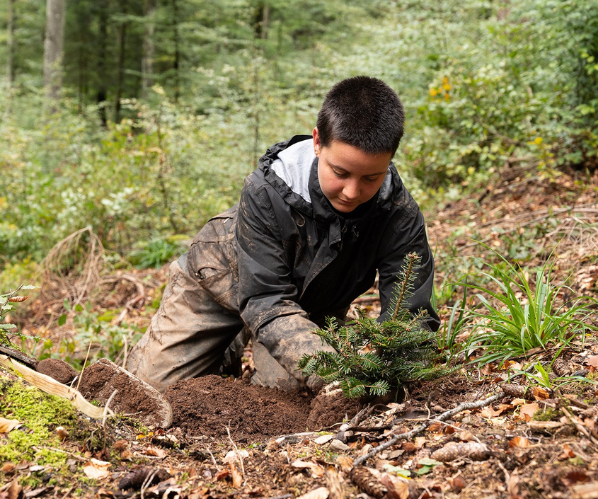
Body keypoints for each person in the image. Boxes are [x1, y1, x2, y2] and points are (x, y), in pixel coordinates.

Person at [126, 76, 440, 393]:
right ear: (317, 141)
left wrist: (398, 379)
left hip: (309, 308)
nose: (351, 191)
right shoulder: (266, 190)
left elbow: (410, 313)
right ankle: (227, 342)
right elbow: (265, 299)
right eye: (340, 173)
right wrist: (331, 375)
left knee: (291, 394)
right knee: (148, 391)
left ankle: (245, 350)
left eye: (371, 178)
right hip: (217, 282)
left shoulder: (398, 212)